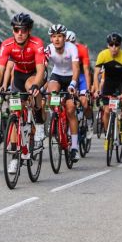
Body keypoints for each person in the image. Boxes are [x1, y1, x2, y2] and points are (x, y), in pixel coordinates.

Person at [0, 12, 47, 142]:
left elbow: (41, 69)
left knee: (31, 87)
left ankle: (39, 124)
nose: (20, 33)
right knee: (15, 111)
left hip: (34, 73)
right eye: (16, 29)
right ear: (13, 30)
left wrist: (36, 85)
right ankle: (13, 152)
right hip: (19, 75)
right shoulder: (6, 45)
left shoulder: (37, 43)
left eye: (23, 30)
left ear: (29, 31)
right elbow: (0, 69)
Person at [43, 24, 81, 161]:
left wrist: (73, 83)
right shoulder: (49, 49)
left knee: (70, 110)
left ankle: (75, 147)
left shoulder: (72, 48)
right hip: (57, 75)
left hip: (70, 77)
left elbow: (76, 68)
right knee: (51, 94)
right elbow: (43, 66)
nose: (57, 39)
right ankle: (56, 117)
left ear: (64, 38)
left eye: (59, 36)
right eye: (54, 37)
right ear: (51, 39)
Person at [93, 32, 122, 145]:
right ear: (108, 45)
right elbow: (96, 74)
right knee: (106, 111)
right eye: (111, 45)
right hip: (109, 82)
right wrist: (97, 90)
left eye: (116, 45)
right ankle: (108, 136)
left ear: (120, 45)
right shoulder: (102, 55)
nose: (114, 48)